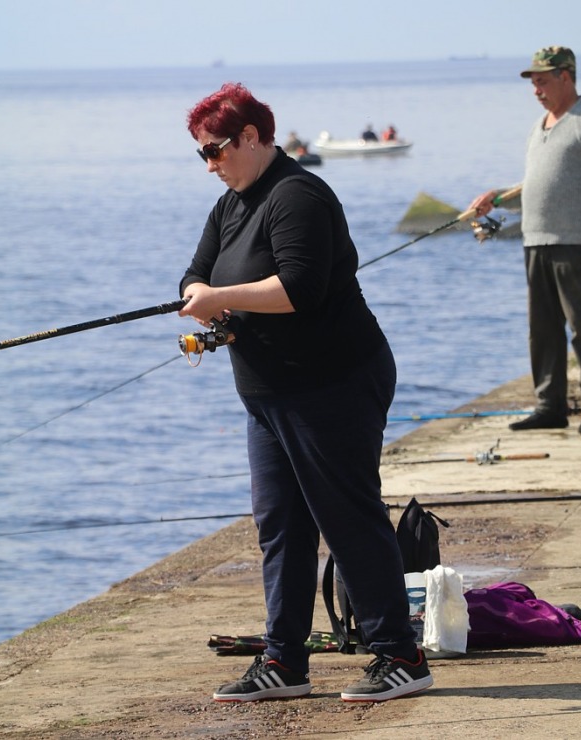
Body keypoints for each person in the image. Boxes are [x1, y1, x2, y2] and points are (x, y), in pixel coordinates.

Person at [178, 83, 432, 703]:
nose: (210, 165)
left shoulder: (298, 196)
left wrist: (222, 300)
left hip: (334, 382)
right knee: (280, 525)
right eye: (200, 156)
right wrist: (199, 296)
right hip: (267, 393)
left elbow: (300, 288)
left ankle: (400, 653)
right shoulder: (231, 202)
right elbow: (197, 272)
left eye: (215, 151)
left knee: (346, 516)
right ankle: (284, 662)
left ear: (250, 137)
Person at [469, 46, 581, 436]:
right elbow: (538, 189)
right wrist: (498, 196)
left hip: (577, 243)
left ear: (566, 77)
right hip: (534, 242)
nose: (536, 89)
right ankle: (549, 406)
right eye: (533, 82)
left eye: (542, 80)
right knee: (542, 329)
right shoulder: (539, 126)